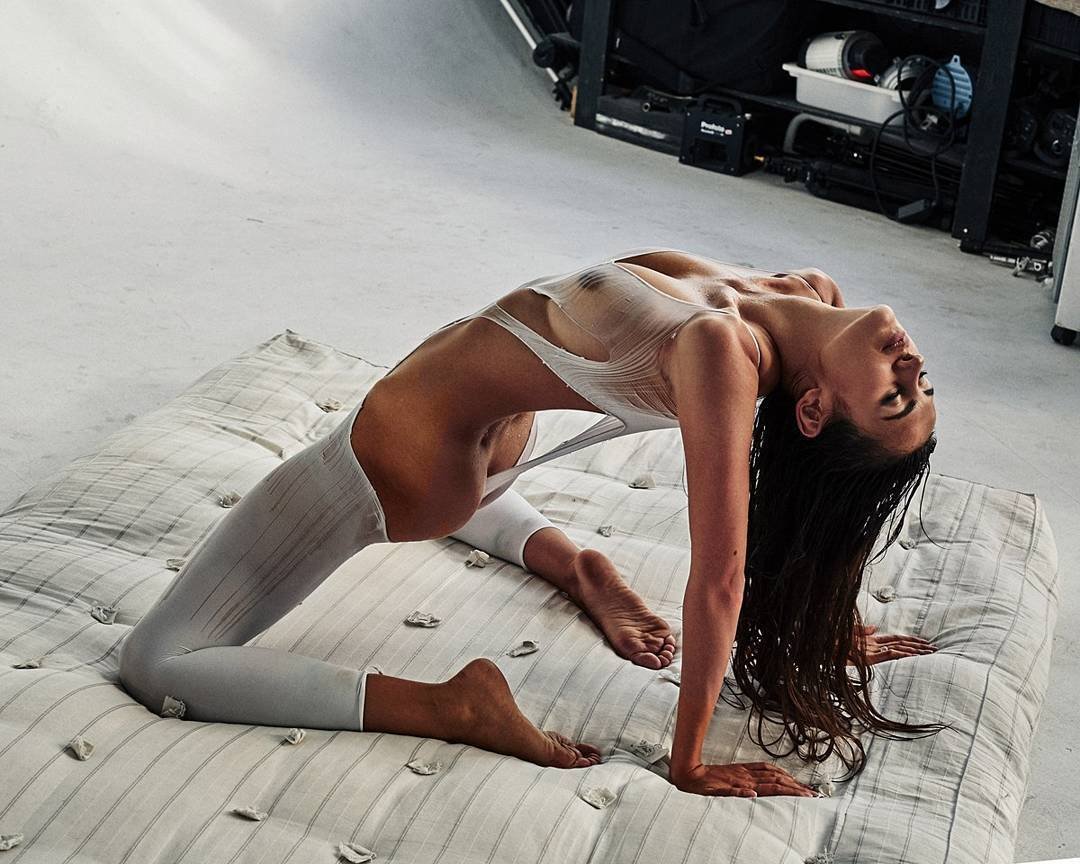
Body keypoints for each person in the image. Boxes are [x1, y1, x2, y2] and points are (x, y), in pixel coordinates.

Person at [118, 247, 938, 798]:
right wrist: (817, 616)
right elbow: (800, 518)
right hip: (481, 448)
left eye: (893, 397)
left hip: (404, 456)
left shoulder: (726, 349)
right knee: (464, 502)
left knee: (159, 663)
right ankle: (576, 564)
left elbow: (720, 575)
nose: (909, 366)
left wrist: (687, 763)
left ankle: (450, 706)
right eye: (919, 387)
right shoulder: (807, 293)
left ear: (814, 408)